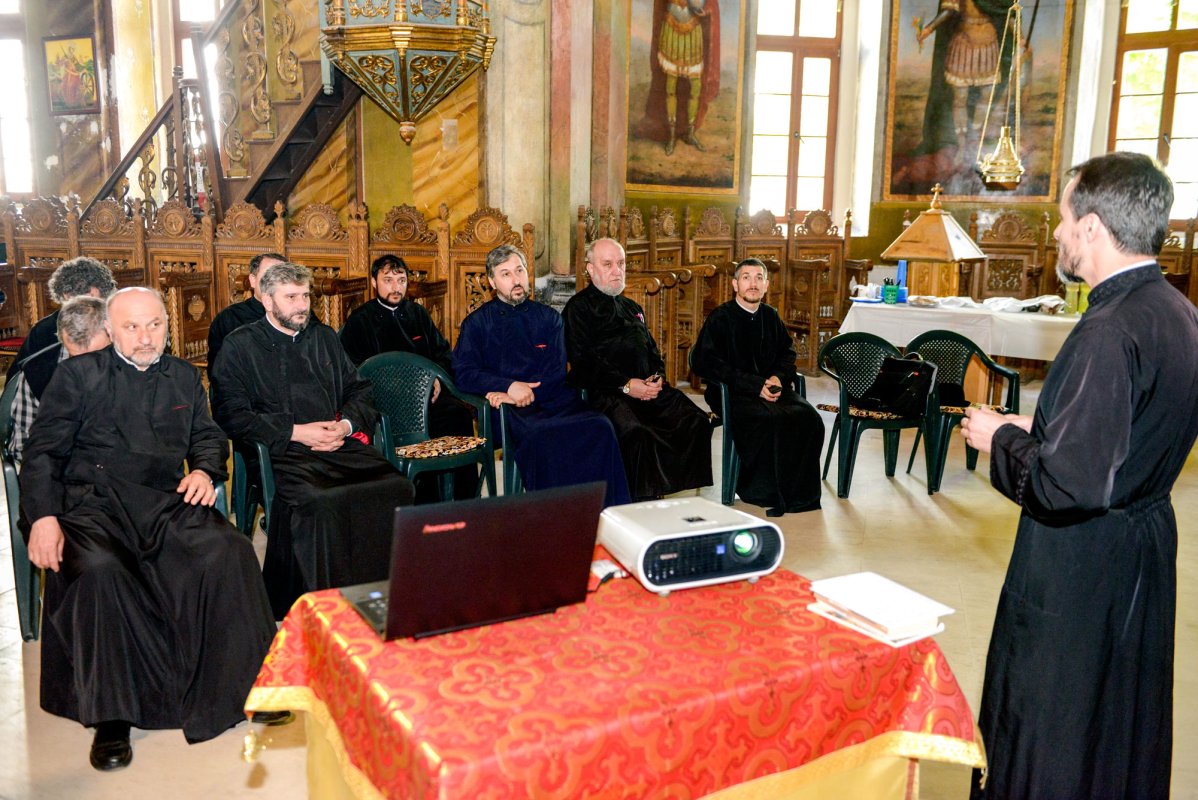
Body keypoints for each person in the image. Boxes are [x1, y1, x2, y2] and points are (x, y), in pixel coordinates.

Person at [959, 152, 1198, 799]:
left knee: (1052, 718)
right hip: (1142, 546)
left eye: (1064, 220)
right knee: (1116, 717)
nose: (1059, 234)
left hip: (1081, 563)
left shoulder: (1108, 329)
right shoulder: (1177, 312)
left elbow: (1068, 486)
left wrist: (1000, 436)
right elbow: (1121, 437)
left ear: (1092, 228)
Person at [20, 287, 277, 771]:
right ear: (110, 331)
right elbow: (42, 453)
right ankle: (112, 719)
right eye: (132, 327)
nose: (144, 338)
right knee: (99, 575)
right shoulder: (78, 375)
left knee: (230, 550)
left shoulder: (182, 376)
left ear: (168, 325)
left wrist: (203, 470)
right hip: (91, 508)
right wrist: (44, 518)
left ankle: (251, 686)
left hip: (161, 502)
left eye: (154, 325)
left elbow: (206, 435)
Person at [211, 262, 415, 618]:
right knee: (321, 500)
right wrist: (295, 431)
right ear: (267, 301)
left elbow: (359, 390)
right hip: (284, 450)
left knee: (395, 486)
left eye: (305, 296)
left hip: (337, 444)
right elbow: (230, 413)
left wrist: (347, 426)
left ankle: (384, 598)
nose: (301, 305)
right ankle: (327, 608)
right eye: (291, 297)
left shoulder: (323, 338)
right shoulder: (240, 346)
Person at [453, 244, 631, 507]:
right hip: (505, 411)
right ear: (492, 281)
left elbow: (557, 370)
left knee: (600, 425)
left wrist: (526, 393)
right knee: (543, 436)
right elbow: (464, 372)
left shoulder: (549, 318)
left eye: (519, 271)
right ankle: (553, 517)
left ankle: (606, 513)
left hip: (552, 398)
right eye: (505, 274)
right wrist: (509, 387)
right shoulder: (477, 324)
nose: (516, 280)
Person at [562, 237, 712, 500]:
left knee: (694, 420)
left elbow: (652, 350)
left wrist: (657, 377)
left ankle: (664, 491)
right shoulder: (578, 309)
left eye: (620, 263)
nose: (616, 270)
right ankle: (638, 502)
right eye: (607, 264)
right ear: (590, 269)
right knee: (637, 434)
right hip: (606, 394)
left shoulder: (632, 307)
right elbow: (584, 362)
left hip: (647, 389)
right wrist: (627, 384)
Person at [340, 254, 479, 501]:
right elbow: (354, 372)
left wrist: (436, 379)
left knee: (458, 415)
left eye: (401, 280)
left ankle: (462, 503)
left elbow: (443, 354)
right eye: (388, 280)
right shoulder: (359, 320)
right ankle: (419, 504)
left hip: (428, 399)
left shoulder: (418, 314)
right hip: (386, 404)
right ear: (374, 282)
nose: (396, 287)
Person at [691, 258, 823, 515]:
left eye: (759, 278)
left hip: (772, 389)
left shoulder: (770, 316)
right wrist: (753, 385)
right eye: (746, 277)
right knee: (766, 419)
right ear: (735, 284)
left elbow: (787, 355)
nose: (753, 283)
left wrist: (776, 378)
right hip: (732, 392)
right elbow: (706, 362)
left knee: (808, 417)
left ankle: (797, 492)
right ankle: (764, 491)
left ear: (766, 285)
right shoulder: (720, 318)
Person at [8, 296, 111, 466]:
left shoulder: (130, 360)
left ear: (112, 335)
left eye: (97, 356)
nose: (86, 367)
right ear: (62, 339)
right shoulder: (38, 370)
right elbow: (23, 446)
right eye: (76, 358)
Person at [5, 256, 117, 384]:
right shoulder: (44, 329)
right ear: (64, 297)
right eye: (71, 300)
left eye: (88, 299)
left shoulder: (121, 321)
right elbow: (18, 375)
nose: (80, 308)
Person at [642, 0, 721, 155]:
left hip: (693, 29)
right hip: (672, 28)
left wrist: (703, 8)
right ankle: (671, 136)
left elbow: (708, 4)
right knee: (670, 87)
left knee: (695, 87)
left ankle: (690, 133)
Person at [206, 251, 285, 378]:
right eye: (268, 276)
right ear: (253, 280)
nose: (275, 283)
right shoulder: (229, 318)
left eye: (282, 277)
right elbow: (219, 372)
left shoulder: (297, 314)